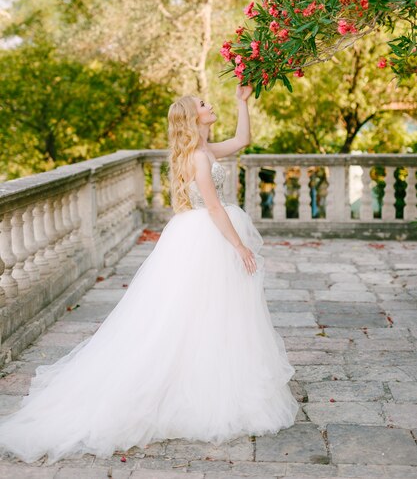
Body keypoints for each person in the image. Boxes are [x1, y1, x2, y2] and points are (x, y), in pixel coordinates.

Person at [0, 84, 299, 465]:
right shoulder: (199, 158)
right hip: (207, 236)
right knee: (190, 313)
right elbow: (213, 208)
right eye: (204, 104)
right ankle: (189, 385)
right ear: (194, 117)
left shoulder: (205, 149)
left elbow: (242, 139)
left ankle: (208, 374)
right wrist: (238, 246)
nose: (209, 104)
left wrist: (243, 102)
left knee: (212, 312)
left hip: (200, 234)